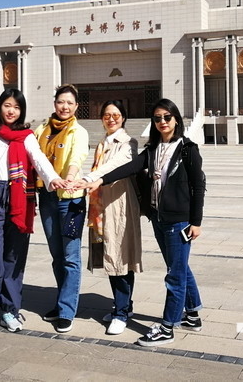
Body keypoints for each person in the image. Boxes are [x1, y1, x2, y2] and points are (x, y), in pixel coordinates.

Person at [85, 98, 206, 347]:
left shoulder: (187, 149)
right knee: (179, 267)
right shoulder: (152, 149)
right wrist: (100, 180)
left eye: (167, 117)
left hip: (179, 221)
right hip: (159, 219)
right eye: (157, 118)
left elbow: (198, 186)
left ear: (176, 120)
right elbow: (129, 167)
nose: (162, 122)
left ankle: (168, 327)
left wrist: (196, 222)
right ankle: (192, 314)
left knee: (175, 274)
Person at [0, 88, 66, 337]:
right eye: (7, 105)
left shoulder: (26, 136)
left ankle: (10, 310)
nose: (11, 111)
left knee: (14, 258)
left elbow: (39, 159)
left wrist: (52, 178)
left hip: (19, 197)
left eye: (17, 107)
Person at [80, 100, 142, 336]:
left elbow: (117, 166)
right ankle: (122, 305)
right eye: (107, 115)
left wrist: (90, 178)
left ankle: (121, 313)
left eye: (116, 115)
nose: (111, 119)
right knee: (110, 256)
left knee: (121, 258)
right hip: (102, 207)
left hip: (120, 207)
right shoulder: (102, 143)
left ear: (123, 117)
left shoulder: (128, 143)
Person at [35, 84, 89, 333]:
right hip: (47, 198)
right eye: (60, 102)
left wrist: (69, 177)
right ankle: (61, 303)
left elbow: (77, 156)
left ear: (76, 106)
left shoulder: (79, 132)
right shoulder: (41, 130)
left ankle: (67, 310)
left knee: (70, 256)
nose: (64, 107)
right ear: (54, 103)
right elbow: (35, 159)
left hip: (71, 200)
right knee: (57, 255)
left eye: (69, 103)